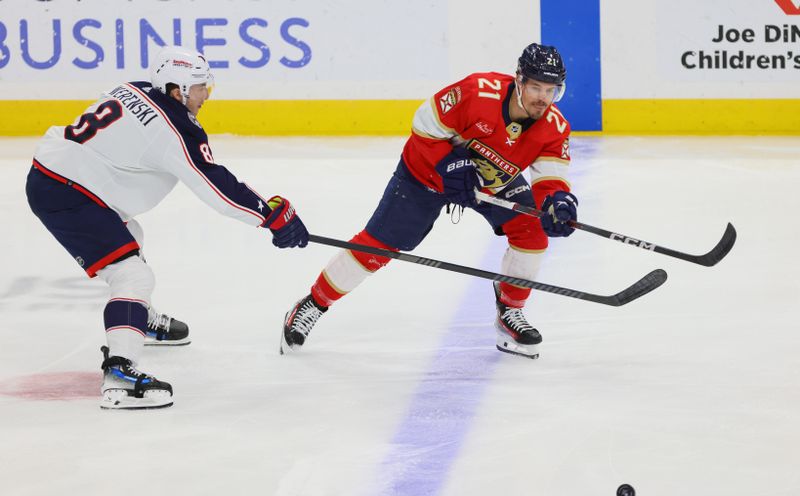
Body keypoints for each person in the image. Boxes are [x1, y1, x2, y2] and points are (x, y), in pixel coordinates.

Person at [26, 46, 309, 410]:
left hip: (61, 176)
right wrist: (270, 216)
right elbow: (215, 186)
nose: (206, 95)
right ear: (177, 90)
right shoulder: (174, 128)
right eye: (199, 87)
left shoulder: (136, 86)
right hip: (69, 191)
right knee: (132, 276)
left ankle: (138, 318)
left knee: (131, 239)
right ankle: (120, 374)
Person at [280, 43, 577, 359]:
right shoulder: (477, 92)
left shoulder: (554, 127)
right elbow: (424, 124)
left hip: (491, 181)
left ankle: (510, 311)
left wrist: (556, 203)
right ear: (518, 80)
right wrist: (447, 164)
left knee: (532, 232)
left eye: (551, 90)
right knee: (377, 246)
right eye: (535, 87)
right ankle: (313, 304)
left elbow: (551, 179)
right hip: (425, 174)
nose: (543, 98)